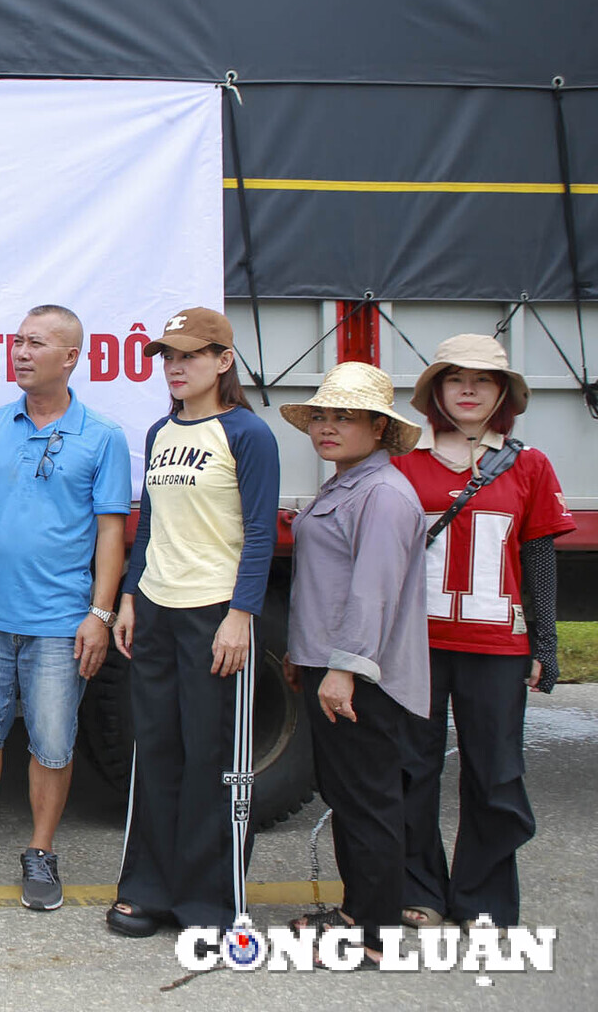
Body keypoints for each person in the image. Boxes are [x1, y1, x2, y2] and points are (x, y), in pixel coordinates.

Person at [0, 305, 130, 910]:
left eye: (35, 343)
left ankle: (41, 851)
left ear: (70, 358)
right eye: (17, 341)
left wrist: (99, 613)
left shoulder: (104, 436)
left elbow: (112, 533)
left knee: (51, 742)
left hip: (59, 623)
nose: (20, 352)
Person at [107, 306, 278, 939]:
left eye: (190, 356)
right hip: (154, 606)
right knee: (154, 753)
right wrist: (128, 597)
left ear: (223, 361)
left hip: (215, 613)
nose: (175, 368)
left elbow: (261, 533)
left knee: (215, 759)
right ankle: (147, 889)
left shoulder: (247, 434)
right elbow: (147, 523)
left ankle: (211, 904)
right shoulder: (160, 431)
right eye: (168, 358)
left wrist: (241, 616)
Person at [393, 335, 573, 927]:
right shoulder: (403, 461)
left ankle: (483, 899)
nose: (468, 389)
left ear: (502, 394)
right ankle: (419, 889)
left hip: (497, 646)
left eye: (484, 380)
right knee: (412, 769)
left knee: (496, 775)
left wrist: (544, 643)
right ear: (436, 392)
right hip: (414, 645)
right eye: (454, 379)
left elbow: (539, 558)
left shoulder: (530, 464)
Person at [281, 361, 428, 967]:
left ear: (378, 427)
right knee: (350, 796)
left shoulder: (383, 495)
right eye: (321, 415)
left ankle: (372, 936)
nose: (327, 426)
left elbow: (372, 592)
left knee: (368, 801)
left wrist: (343, 669)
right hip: (331, 664)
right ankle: (356, 912)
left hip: (360, 675)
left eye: (345, 416)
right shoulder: (348, 484)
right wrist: (305, 653)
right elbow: (328, 582)